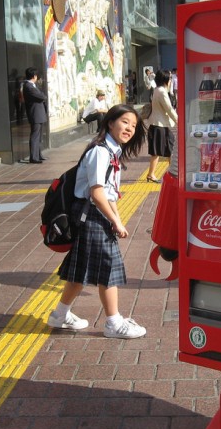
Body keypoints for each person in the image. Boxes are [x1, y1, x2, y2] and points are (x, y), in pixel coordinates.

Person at [47, 104, 148, 339]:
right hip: (91, 216)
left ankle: (60, 315)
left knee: (80, 271)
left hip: (94, 215)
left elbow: (109, 192)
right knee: (108, 269)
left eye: (133, 125)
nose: (129, 128)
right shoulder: (100, 152)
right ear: (110, 123)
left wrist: (117, 218)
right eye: (124, 122)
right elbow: (97, 193)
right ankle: (113, 322)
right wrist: (115, 220)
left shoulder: (112, 152)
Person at [145, 69, 178, 183]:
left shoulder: (158, 90)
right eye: (169, 78)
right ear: (165, 79)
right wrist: (179, 121)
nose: (170, 80)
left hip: (160, 125)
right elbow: (168, 109)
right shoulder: (162, 91)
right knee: (157, 152)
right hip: (159, 125)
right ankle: (151, 174)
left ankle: (175, 172)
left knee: (171, 147)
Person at [22, 67, 47, 163]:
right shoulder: (28, 86)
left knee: (39, 136)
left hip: (38, 114)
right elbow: (42, 96)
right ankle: (33, 157)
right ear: (34, 76)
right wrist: (42, 96)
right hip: (35, 114)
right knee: (35, 135)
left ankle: (38, 155)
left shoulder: (32, 85)